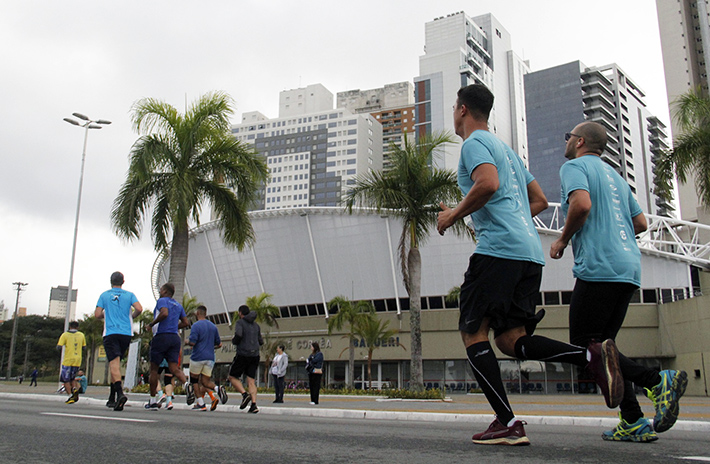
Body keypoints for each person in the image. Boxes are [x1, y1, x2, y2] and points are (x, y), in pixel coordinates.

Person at [437, 84, 624, 446]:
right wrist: (513, 216)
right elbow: (537, 199)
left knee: (473, 333)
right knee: (511, 340)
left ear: (461, 109)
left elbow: (487, 183)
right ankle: (590, 354)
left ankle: (506, 421)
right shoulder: (508, 151)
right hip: (529, 254)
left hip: (499, 252)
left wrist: (453, 215)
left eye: (454, 107)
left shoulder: (475, 144)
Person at [550, 121, 688, 442]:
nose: (566, 141)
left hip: (599, 267)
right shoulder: (616, 177)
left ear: (580, 141)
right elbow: (639, 222)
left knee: (586, 347)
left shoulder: (574, 167)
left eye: (568, 136)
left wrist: (562, 240)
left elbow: (581, 204)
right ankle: (633, 420)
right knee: (605, 349)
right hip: (628, 268)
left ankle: (657, 381)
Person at [96, 271, 143, 411]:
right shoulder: (129, 295)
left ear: (111, 281)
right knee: (115, 363)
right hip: (126, 333)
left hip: (110, 332)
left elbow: (97, 314)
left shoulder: (104, 295)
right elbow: (139, 308)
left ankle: (120, 393)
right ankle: (112, 398)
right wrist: (131, 316)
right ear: (123, 281)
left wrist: (107, 314)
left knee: (113, 364)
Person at [145, 283, 194, 410]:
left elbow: (164, 313)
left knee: (154, 369)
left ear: (165, 291)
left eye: (161, 289)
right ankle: (187, 384)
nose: (160, 291)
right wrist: (173, 327)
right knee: (174, 368)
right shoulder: (178, 305)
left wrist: (151, 324)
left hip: (161, 337)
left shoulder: (162, 301)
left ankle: (152, 401)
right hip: (174, 338)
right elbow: (186, 322)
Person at [186, 305, 228, 411]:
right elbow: (219, 344)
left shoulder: (196, 326)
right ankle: (217, 388)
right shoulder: (213, 326)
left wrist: (186, 342)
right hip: (210, 358)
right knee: (205, 381)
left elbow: (193, 342)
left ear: (197, 313)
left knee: (194, 381)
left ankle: (201, 403)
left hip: (198, 357)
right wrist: (210, 347)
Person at [228, 305, 263, 414]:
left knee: (232, 376)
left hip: (243, 354)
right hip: (255, 355)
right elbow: (260, 341)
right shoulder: (256, 325)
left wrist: (234, 341)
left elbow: (239, 334)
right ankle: (253, 404)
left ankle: (244, 394)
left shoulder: (240, 323)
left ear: (240, 313)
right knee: (251, 381)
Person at [57, 321, 86, 404]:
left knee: (65, 379)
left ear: (69, 327)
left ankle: (70, 395)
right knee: (72, 378)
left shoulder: (65, 335)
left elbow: (58, 347)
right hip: (77, 360)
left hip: (68, 360)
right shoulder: (81, 335)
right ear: (77, 327)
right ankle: (74, 390)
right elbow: (84, 347)